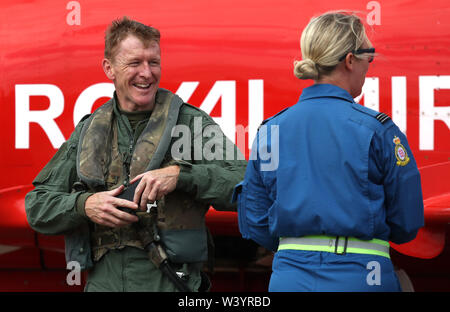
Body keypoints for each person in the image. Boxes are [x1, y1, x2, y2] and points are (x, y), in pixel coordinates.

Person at [25, 17, 247, 292]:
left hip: (170, 283)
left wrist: (181, 176)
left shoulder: (189, 123)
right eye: (134, 63)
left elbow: (246, 184)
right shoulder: (89, 131)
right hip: (104, 283)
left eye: (153, 62)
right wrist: (85, 205)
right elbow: (38, 206)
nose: (147, 73)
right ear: (109, 68)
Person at [233, 11, 424, 291]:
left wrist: (299, 246)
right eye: (368, 58)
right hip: (362, 276)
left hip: (289, 276)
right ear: (349, 60)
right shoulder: (378, 130)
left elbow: (255, 219)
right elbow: (406, 224)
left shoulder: (270, 130)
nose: (368, 68)